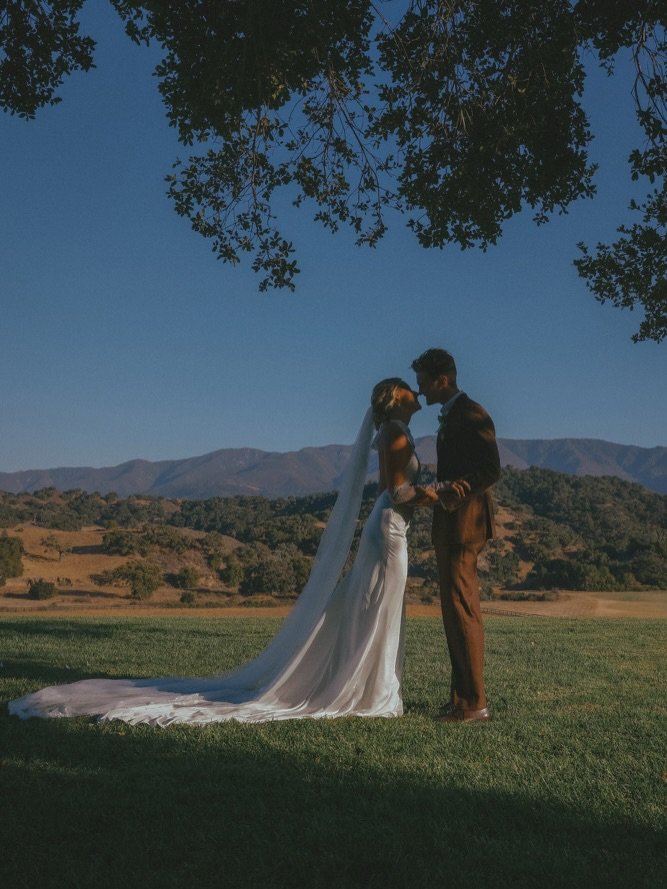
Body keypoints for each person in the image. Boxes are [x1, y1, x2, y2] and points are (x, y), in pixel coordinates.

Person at [9, 379, 437, 725]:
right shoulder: (396, 433)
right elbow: (397, 491)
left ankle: (370, 685)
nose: (416, 393)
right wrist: (437, 494)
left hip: (387, 526)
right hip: (391, 529)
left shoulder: (392, 431)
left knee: (376, 606)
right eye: (409, 389)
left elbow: (389, 490)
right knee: (380, 605)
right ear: (395, 397)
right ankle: (371, 690)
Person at [412, 348, 501, 723]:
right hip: (451, 525)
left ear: (441, 380)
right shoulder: (454, 414)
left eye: (422, 382)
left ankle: (473, 704)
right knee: (453, 609)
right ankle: (461, 699)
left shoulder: (471, 413)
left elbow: (490, 469)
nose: (419, 391)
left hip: (464, 526)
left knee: (462, 609)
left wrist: (455, 490)